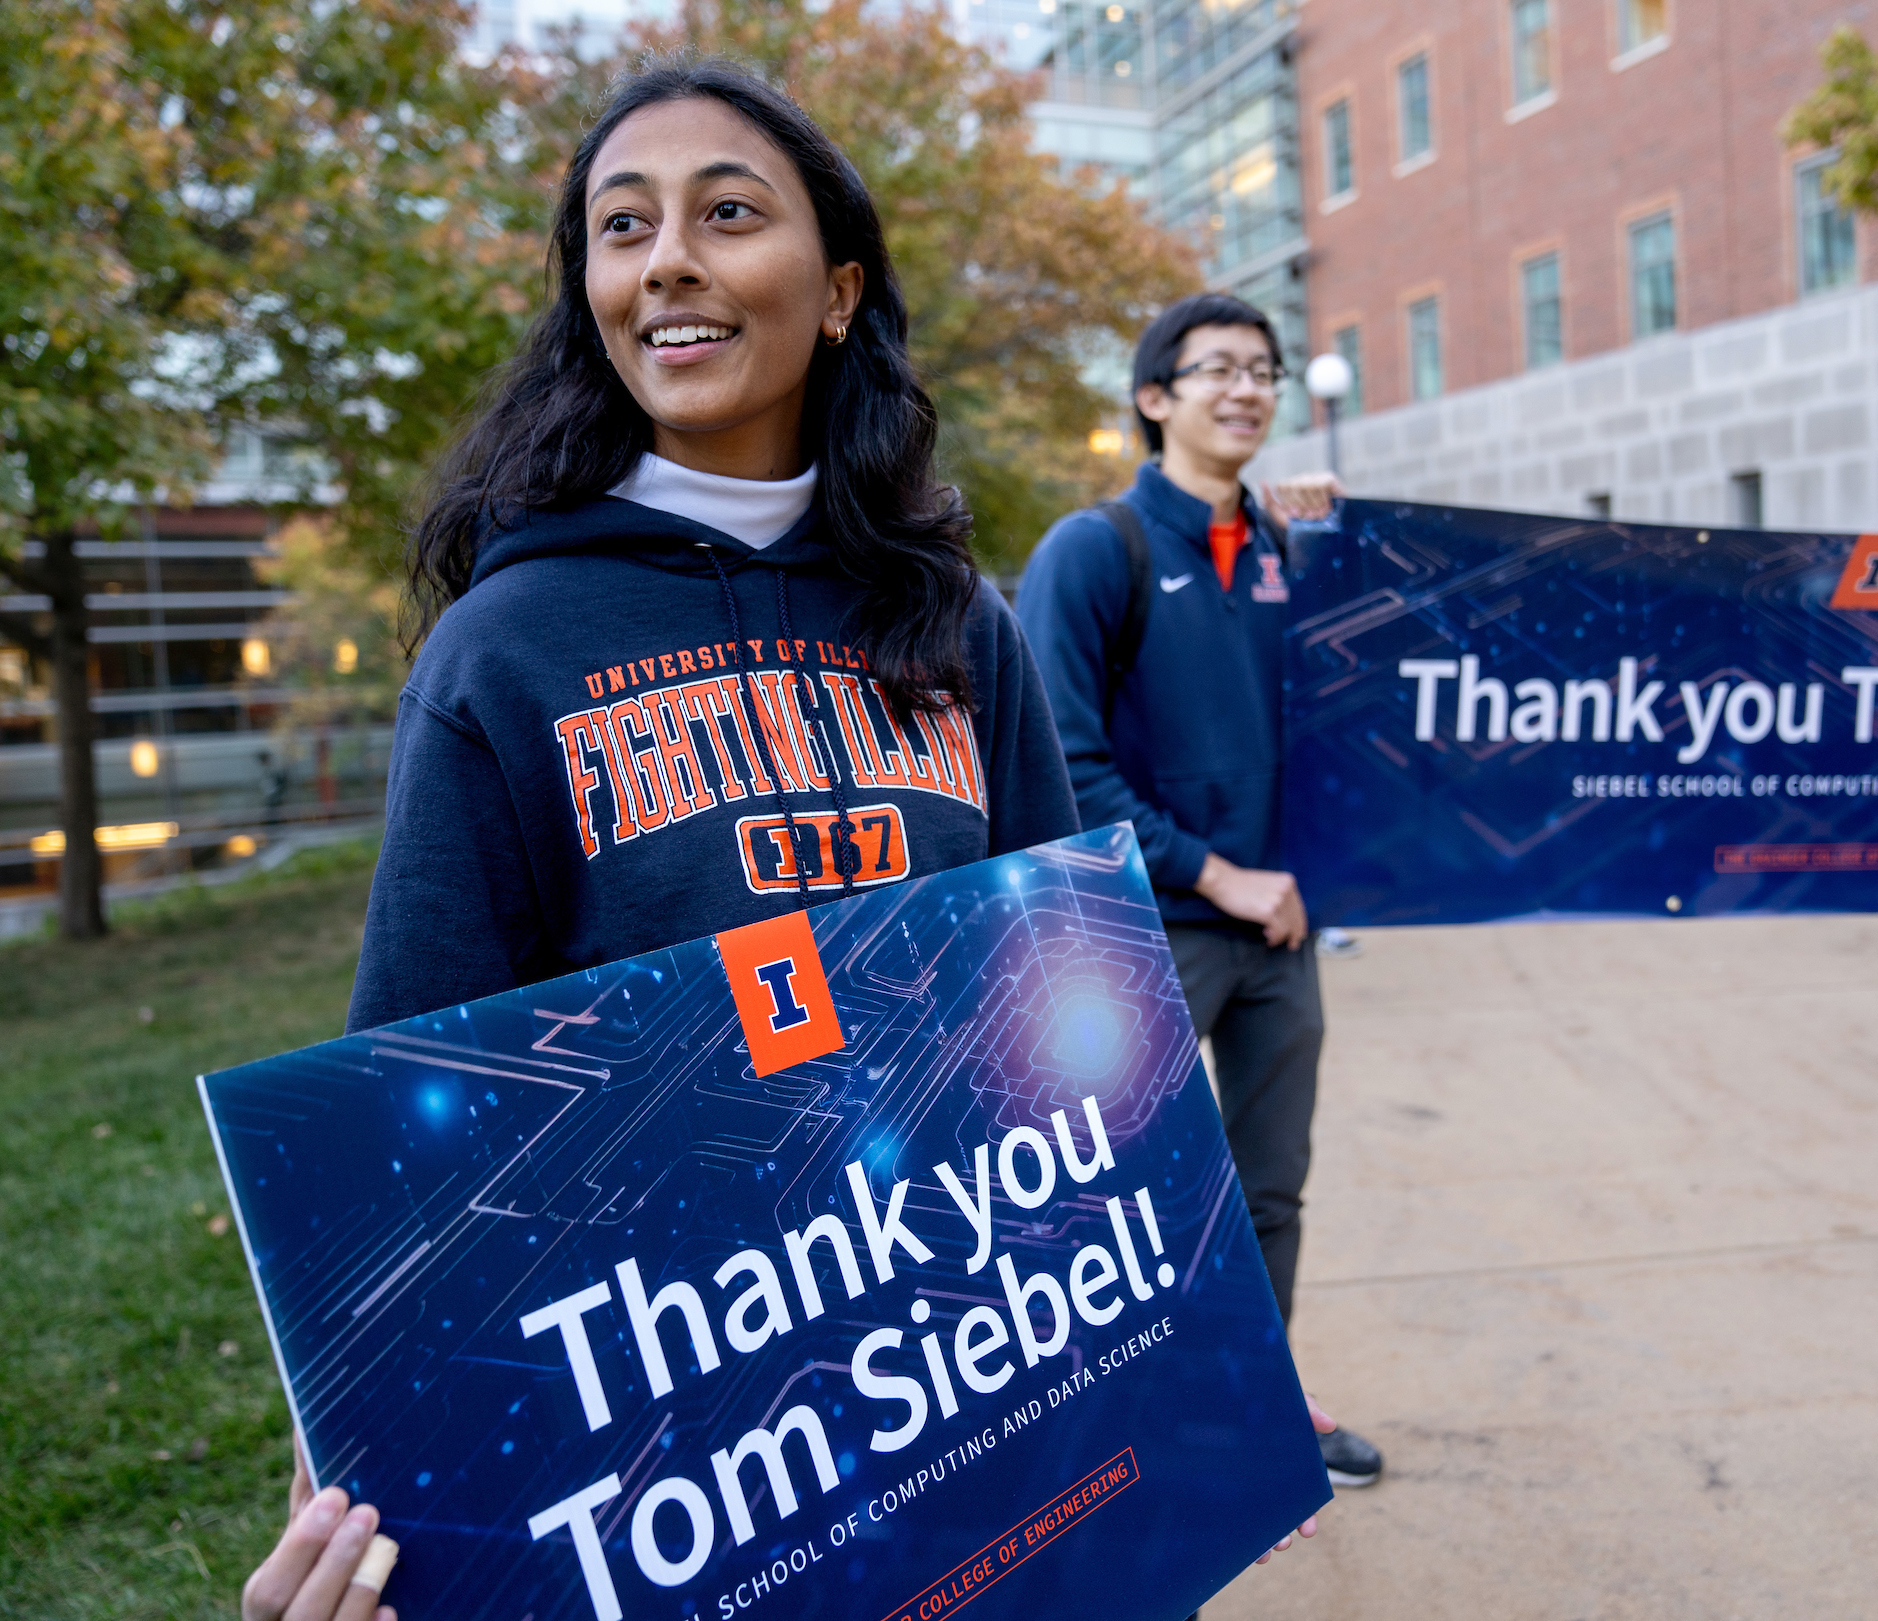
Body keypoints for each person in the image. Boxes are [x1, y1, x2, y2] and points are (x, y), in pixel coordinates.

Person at [244, 58, 1311, 1618]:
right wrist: (357, 1442)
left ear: (836, 292)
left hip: (972, 1358)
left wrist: (1170, 1364)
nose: (665, 257)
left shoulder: (959, 621)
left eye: (725, 213)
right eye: (622, 229)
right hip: (689, 1436)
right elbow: (421, 1098)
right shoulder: (502, 649)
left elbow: (1081, 1003)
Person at [1015, 293, 1386, 1487]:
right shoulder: (1096, 552)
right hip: (1145, 939)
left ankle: (1252, 1405)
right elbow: (1056, 765)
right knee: (1127, 1209)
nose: (1247, 389)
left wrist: (1336, 539)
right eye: (1217, 368)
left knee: (1270, 1189)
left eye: (1264, 370)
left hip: (1279, 936)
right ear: (1154, 396)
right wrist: (1216, 873)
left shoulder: (1286, 551)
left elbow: (1361, 715)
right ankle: (1124, 1437)